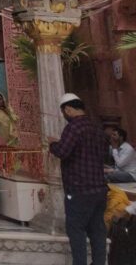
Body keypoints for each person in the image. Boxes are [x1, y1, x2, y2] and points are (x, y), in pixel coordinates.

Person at [48, 93, 108, 265]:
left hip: (79, 189)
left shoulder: (74, 127)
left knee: (76, 231)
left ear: (67, 109)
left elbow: (63, 151)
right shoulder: (96, 127)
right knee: (98, 232)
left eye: (64, 112)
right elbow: (104, 154)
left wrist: (53, 144)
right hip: (99, 188)